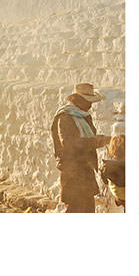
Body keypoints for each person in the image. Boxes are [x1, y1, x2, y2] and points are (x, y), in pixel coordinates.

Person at [50, 83, 111, 213]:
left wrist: (101, 139)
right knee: (76, 207)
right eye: (88, 101)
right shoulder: (65, 117)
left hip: (84, 169)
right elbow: (69, 144)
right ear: (78, 100)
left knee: (87, 207)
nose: (90, 105)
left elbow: (88, 138)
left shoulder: (83, 116)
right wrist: (97, 141)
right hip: (72, 171)